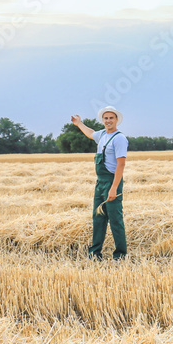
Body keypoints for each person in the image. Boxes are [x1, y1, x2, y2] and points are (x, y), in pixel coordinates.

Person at [71, 106, 129, 260]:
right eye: (106, 118)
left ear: (117, 120)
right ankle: (94, 254)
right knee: (98, 218)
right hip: (100, 183)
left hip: (112, 181)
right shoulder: (102, 134)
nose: (108, 120)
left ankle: (120, 256)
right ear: (103, 120)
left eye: (111, 118)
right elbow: (90, 133)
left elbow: (121, 165)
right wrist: (79, 124)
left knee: (115, 220)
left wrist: (114, 188)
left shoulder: (119, 138)